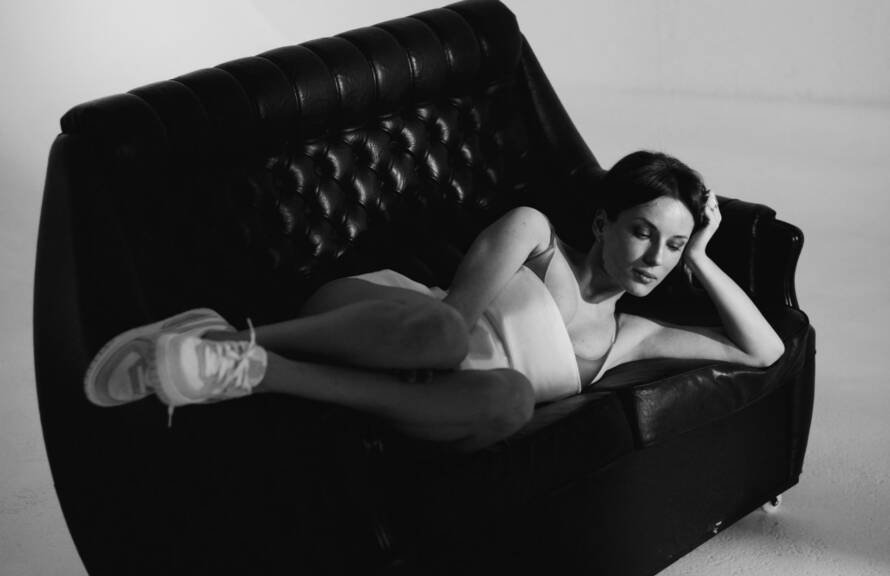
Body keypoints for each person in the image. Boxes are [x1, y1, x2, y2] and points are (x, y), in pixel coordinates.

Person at [83, 151, 785, 451]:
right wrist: (438, 345)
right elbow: (453, 315)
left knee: (509, 401)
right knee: (447, 336)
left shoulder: (629, 338)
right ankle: (237, 338)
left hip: (425, 397)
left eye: (673, 246)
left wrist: (702, 257)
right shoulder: (536, 235)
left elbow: (764, 351)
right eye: (642, 232)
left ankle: (250, 368)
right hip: (382, 320)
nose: (655, 258)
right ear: (602, 223)